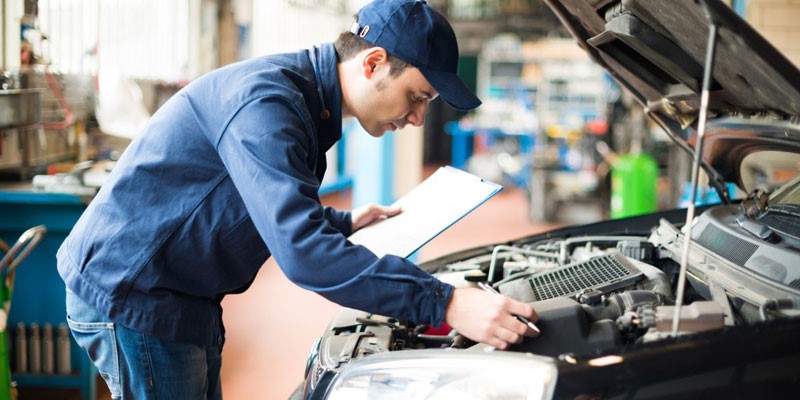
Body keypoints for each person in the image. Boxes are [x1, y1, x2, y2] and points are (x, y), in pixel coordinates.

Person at [58, 0, 539, 398]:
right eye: (417, 96)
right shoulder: (267, 104)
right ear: (372, 62)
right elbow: (302, 253)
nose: (416, 118)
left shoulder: (309, 104)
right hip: (135, 290)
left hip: (184, 291)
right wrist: (446, 303)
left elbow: (251, 199)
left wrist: (342, 221)